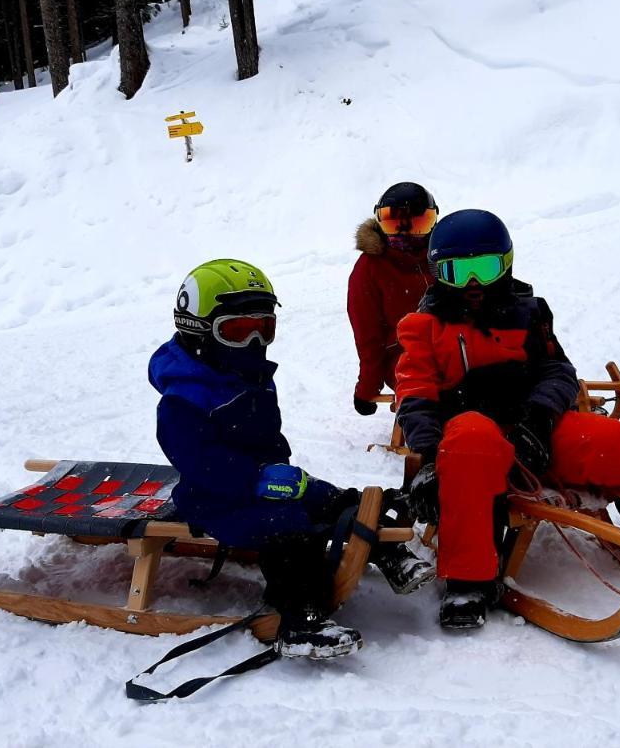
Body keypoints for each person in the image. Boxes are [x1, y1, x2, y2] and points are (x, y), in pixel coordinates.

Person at [394, 211, 620, 630]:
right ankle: (468, 579)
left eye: (484, 269)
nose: (473, 284)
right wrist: (431, 455)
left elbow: (557, 371)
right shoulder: (423, 326)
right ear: (439, 274)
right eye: (458, 272)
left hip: (532, 427)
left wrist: (538, 420)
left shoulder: (529, 312)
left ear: (505, 266)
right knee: (472, 441)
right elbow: (414, 392)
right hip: (469, 432)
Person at [149, 259, 433, 658]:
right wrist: (255, 479)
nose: (252, 343)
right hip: (214, 500)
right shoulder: (184, 398)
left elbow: (266, 434)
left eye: (262, 328)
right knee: (289, 525)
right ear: (198, 330)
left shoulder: (249, 375)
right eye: (235, 331)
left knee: (330, 497)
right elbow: (197, 460)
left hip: (266, 480)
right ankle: (300, 621)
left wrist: (281, 475)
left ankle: (389, 554)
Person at [348, 182, 438, 416]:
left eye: (418, 224)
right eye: (394, 224)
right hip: (403, 355)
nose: (406, 234)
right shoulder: (370, 268)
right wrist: (368, 387)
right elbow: (368, 336)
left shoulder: (440, 255)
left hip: (450, 345)